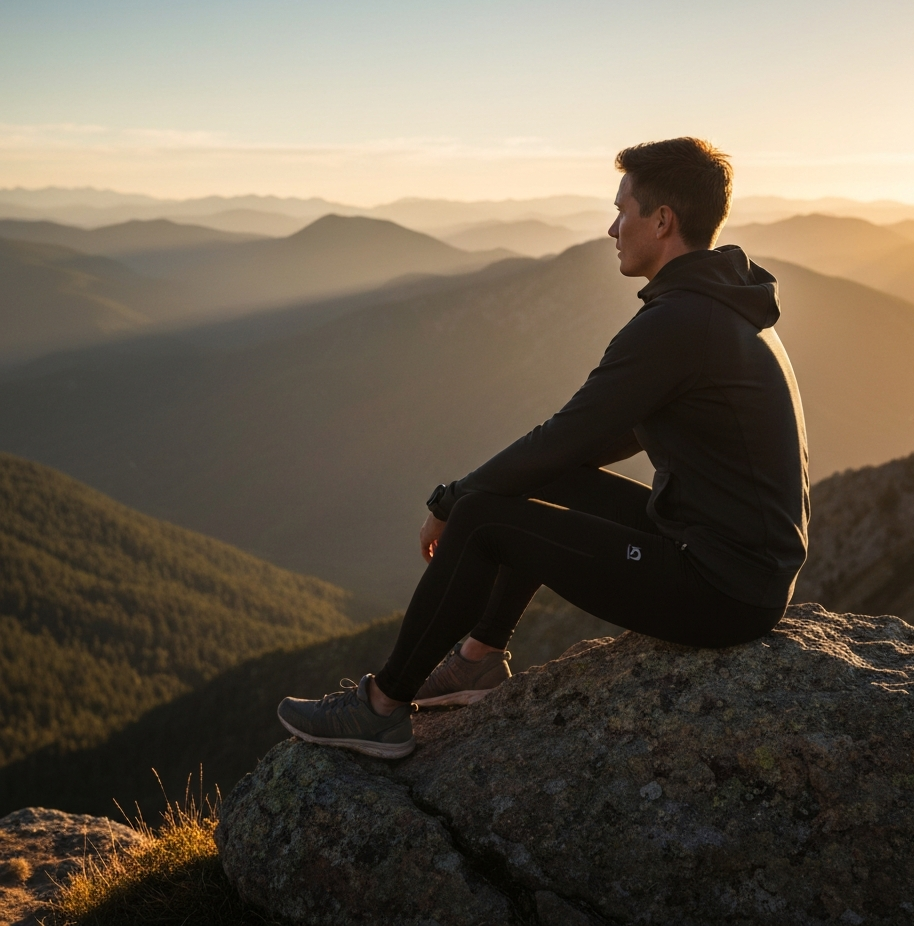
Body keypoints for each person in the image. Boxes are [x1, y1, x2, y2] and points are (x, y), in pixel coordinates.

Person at [278, 137, 810, 758]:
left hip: (721, 590)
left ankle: (382, 707)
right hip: (728, 558)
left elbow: (565, 434)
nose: (612, 227)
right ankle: (477, 661)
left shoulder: (679, 323)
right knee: (536, 480)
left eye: (623, 210)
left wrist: (452, 499)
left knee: (481, 520)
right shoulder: (719, 306)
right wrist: (490, 482)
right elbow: (594, 439)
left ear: (662, 221)